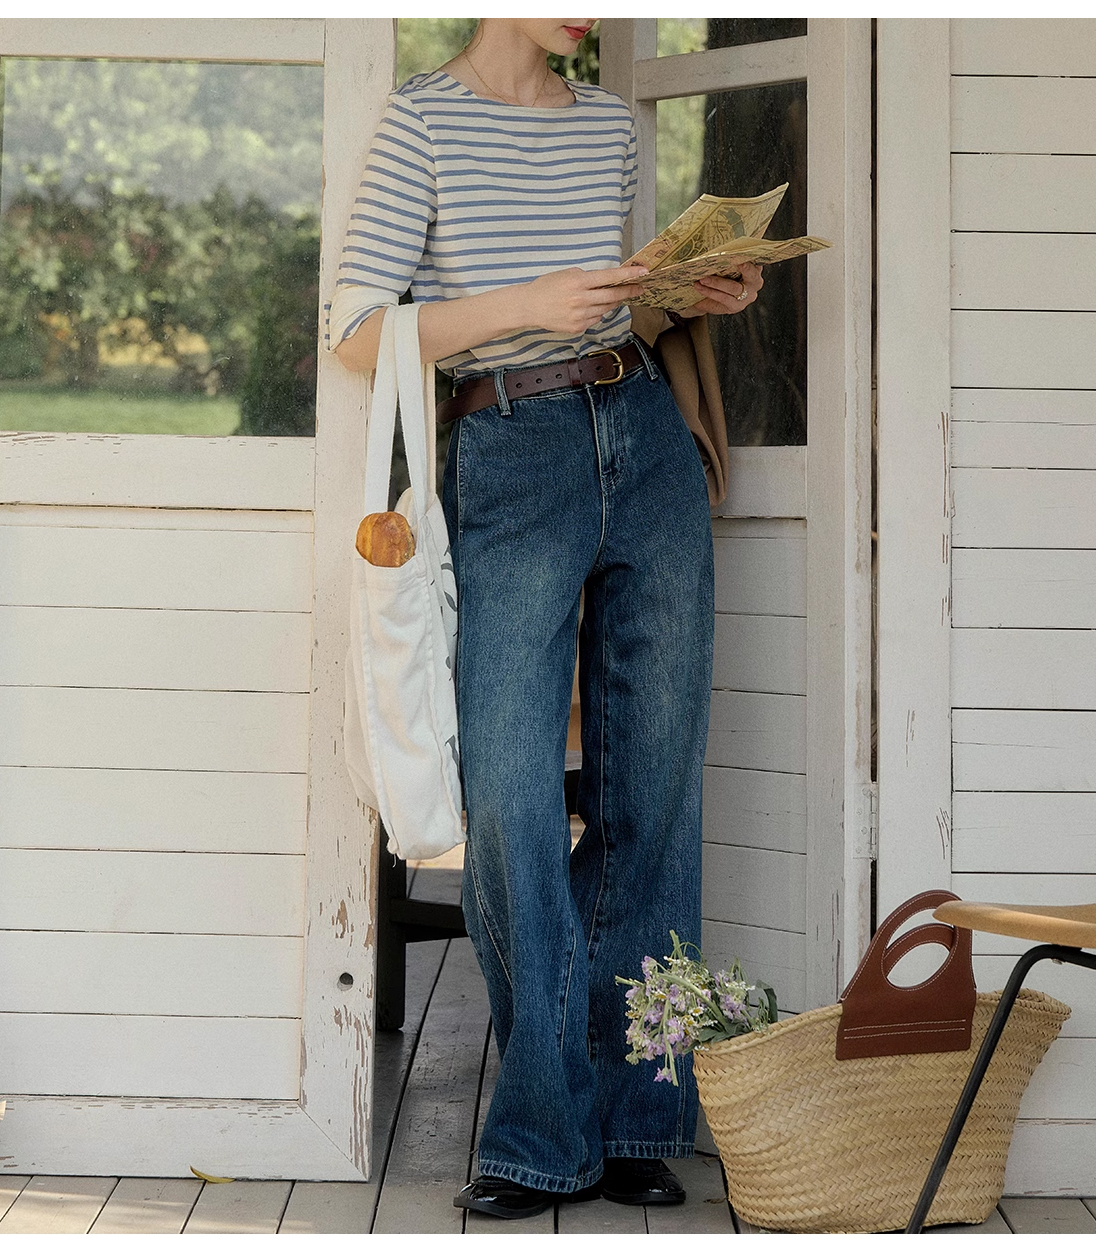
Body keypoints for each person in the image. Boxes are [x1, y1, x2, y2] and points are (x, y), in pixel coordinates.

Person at [326, 18, 763, 1221]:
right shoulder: (424, 121)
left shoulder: (612, 127)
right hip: (511, 447)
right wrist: (526, 301)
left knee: (654, 791)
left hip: (644, 439)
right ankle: (539, 1130)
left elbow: (618, 307)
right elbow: (356, 329)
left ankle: (635, 1119)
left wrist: (686, 296)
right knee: (512, 792)